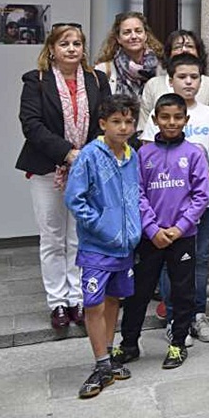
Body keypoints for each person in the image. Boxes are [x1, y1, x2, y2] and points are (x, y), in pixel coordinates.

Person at [17, 23, 110, 330]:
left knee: (79, 236)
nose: (72, 48)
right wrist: (67, 153)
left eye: (77, 43)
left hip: (88, 168)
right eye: (65, 43)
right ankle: (57, 302)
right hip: (47, 169)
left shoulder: (97, 79)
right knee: (53, 237)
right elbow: (31, 124)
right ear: (52, 50)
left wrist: (86, 155)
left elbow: (105, 121)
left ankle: (79, 299)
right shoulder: (36, 81)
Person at [115, 94, 209, 369]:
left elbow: (200, 196)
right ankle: (129, 344)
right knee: (138, 292)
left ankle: (178, 344)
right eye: (165, 117)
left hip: (183, 237)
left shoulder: (194, 154)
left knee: (182, 292)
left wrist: (180, 227)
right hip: (150, 238)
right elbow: (137, 193)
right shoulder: (143, 154)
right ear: (154, 120)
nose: (171, 122)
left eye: (177, 117)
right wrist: (153, 228)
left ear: (186, 120)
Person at [142, 54, 209, 343]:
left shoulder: (208, 114)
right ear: (171, 80)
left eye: (194, 77)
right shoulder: (160, 115)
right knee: (169, 262)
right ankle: (175, 317)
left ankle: (197, 315)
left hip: (203, 201)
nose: (189, 82)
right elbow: (147, 160)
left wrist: (201, 182)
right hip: (165, 204)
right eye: (182, 77)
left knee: (199, 260)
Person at [63, 94, 141, 399]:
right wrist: (101, 225)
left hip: (125, 246)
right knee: (93, 303)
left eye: (129, 122)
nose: (123, 128)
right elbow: (74, 198)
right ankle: (99, 363)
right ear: (102, 124)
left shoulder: (131, 155)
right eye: (116, 122)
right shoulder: (89, 156)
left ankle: (108, 358)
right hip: (98, 246)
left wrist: (133, 228)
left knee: (113, 301)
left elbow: (135, 194)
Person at [140, 29, 209, 132]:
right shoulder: (153, 85)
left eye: (189, 46)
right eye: (178, 47)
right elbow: (144, 126)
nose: (184, 50)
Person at [94, 12, 165, 98]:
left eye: (138, 31)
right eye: (127, 32)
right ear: (118, 39)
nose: (134, 36)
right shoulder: (104, 70)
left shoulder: (161, 68)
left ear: (146, 35)